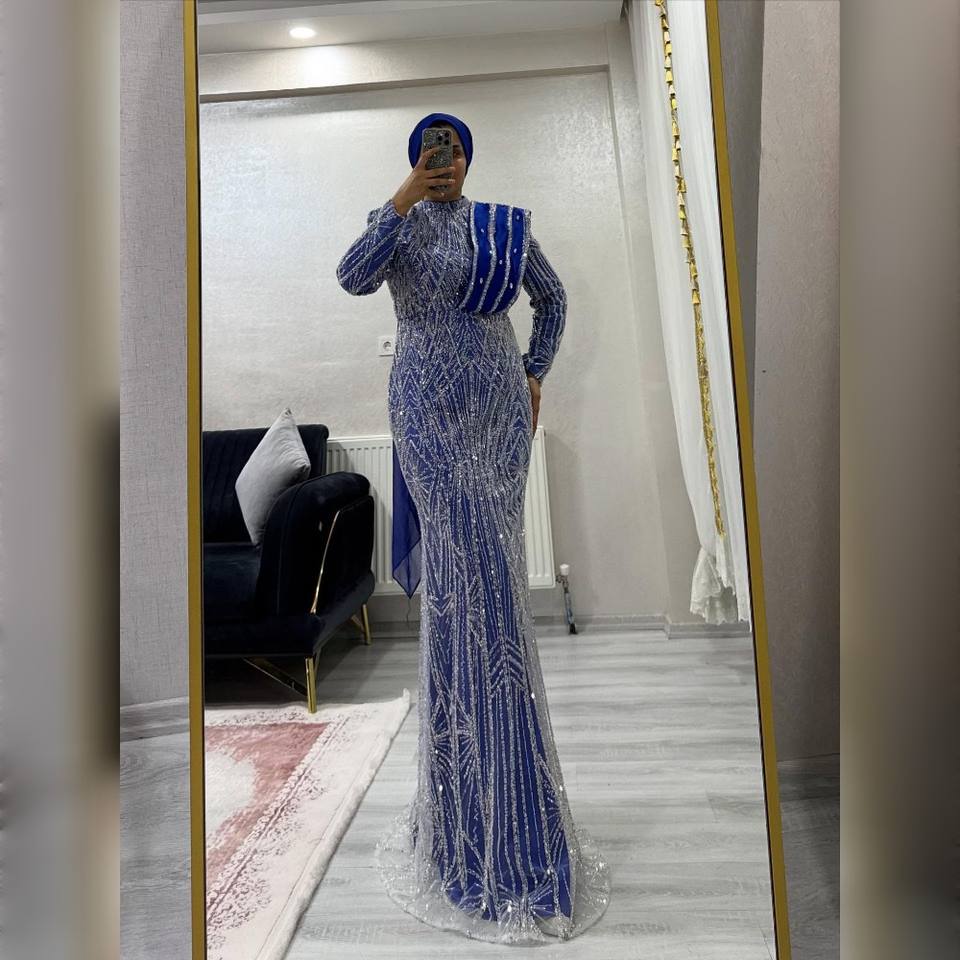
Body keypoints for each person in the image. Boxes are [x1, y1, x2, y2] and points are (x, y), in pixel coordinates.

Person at [336, 112, 610, 944]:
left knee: (492, 591)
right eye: (431, 151)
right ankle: (464, 824)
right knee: (462, 592)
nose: (444, 161)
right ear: (416, 160)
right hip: (425, 412)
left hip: (495, 412)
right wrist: (402, 197)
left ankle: (515, 815)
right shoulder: (394, 226)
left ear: (470, 158)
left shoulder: (501, 226)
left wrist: (535, 371)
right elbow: (350, 277)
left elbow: (552, 298)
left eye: (453, 150)